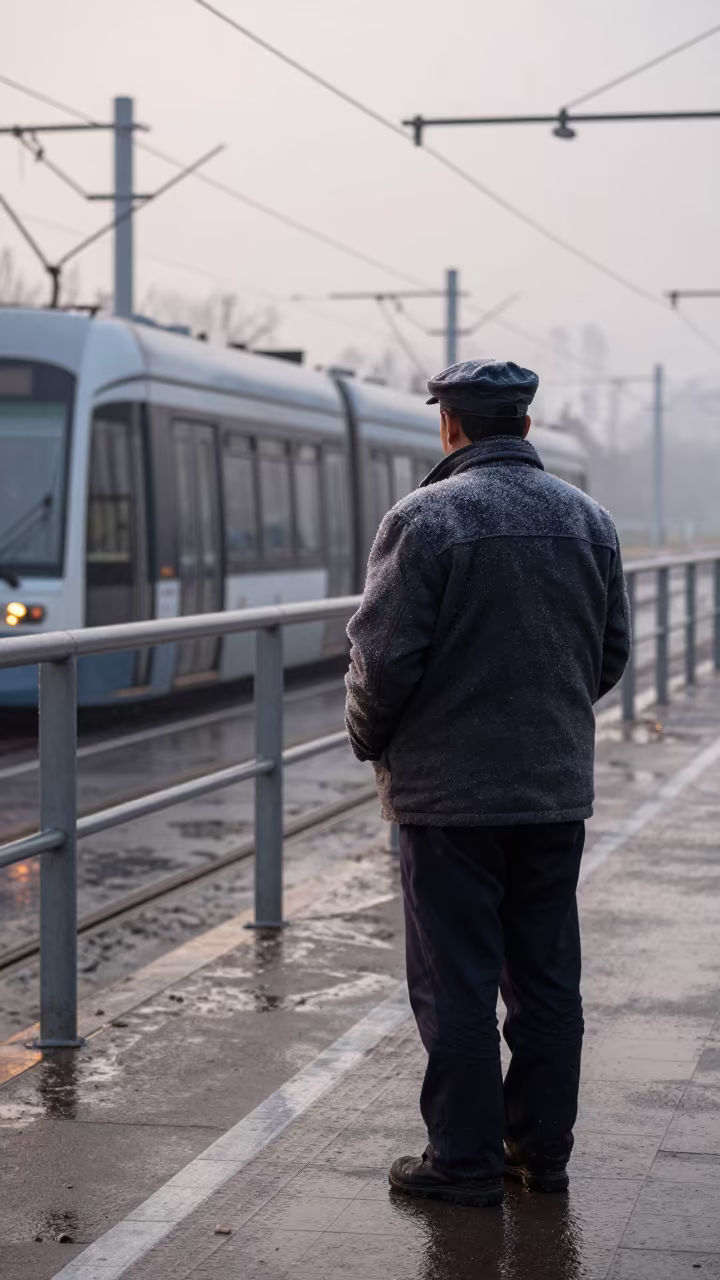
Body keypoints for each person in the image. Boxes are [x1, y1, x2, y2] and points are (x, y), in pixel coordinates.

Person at [345, 358, 631, 1208]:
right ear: (527, 425)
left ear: (450, 426)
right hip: (551, 791)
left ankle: (463, 1163)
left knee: (457, 979)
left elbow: (382, 662)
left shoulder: (423, 521)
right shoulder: (590, 522)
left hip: (447, 799)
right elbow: (608, 655)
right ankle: (541, 1154)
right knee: (545, 975)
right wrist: (546, 721)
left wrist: (372, 741)